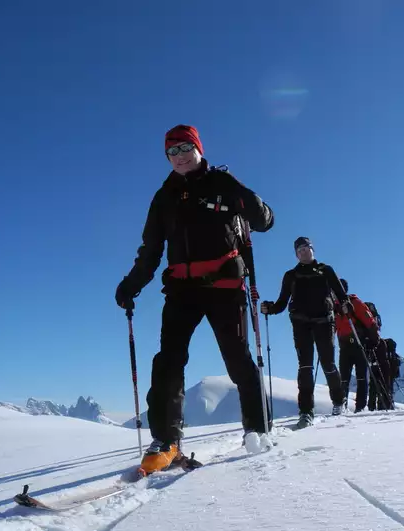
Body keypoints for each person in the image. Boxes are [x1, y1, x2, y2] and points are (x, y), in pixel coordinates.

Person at [115, 125, 275, 474]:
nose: (180, 155)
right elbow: (151, 250)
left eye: (186, 147)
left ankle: (256, 427)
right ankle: (166, 441)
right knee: (168, 362)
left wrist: (241, 196)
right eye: (172, 151)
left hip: (225, 287)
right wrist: (131, 285)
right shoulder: (164, 197)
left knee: (237, 359)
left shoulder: (222, 184)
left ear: (199, 148)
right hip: (181, 290)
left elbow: (264, 221)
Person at [260, 237, 348, 428]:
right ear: (296, 254)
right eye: (299, 250)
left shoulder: (326, 270)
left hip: (325, 321)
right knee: (305, 366)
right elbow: (282, 303)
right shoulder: (291, 275)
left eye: (306, 248)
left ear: (312, 249)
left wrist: (345, 305)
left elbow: (341, 294)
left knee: (328, 364)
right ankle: (306, 411)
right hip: (301, 324)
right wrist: (270, 308)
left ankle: (339, 401)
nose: (303, 252)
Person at [334, 280, 390, 413]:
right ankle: (342, 405)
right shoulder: (334, 308)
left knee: (360, 376)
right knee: (344, 377)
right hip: (344, 345)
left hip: (359, 343)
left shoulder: (354, 303)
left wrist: (374, 340)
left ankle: (360, 407)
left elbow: (369, 321)